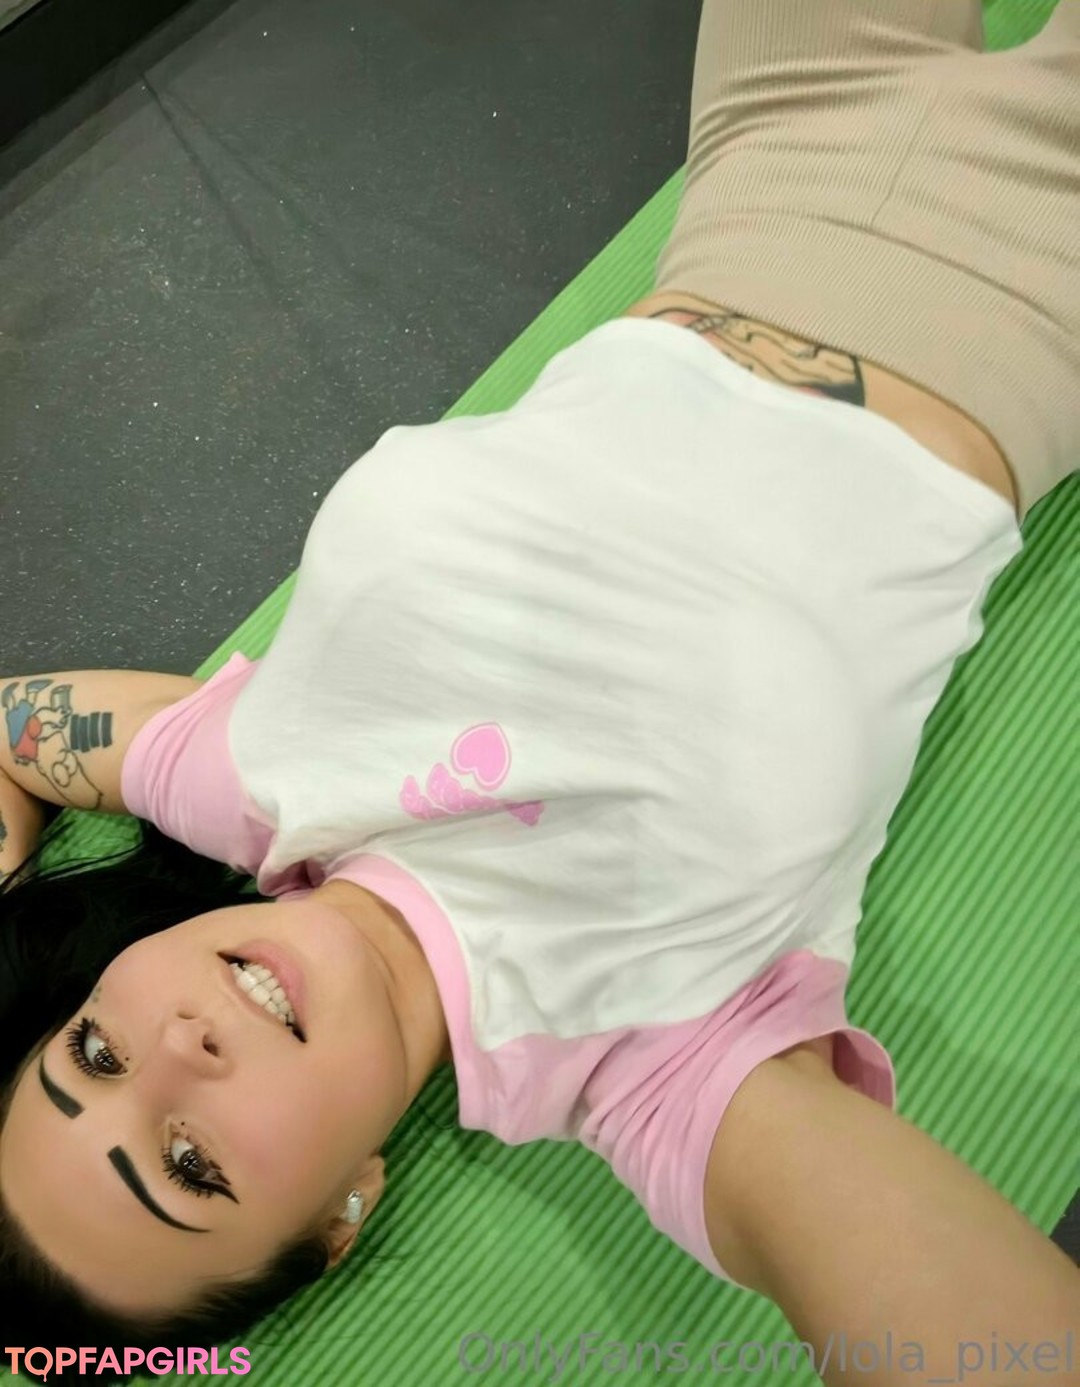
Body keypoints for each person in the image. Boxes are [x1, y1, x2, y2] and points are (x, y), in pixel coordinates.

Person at [1, 1, 1077, 1383]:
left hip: (774, 138)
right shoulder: (655, 1063)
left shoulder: (241, 786)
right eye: (190, 1164)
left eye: (93, 1052)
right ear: (342, 1218)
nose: (178, 1046)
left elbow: (16, 733)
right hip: (1036, 281)